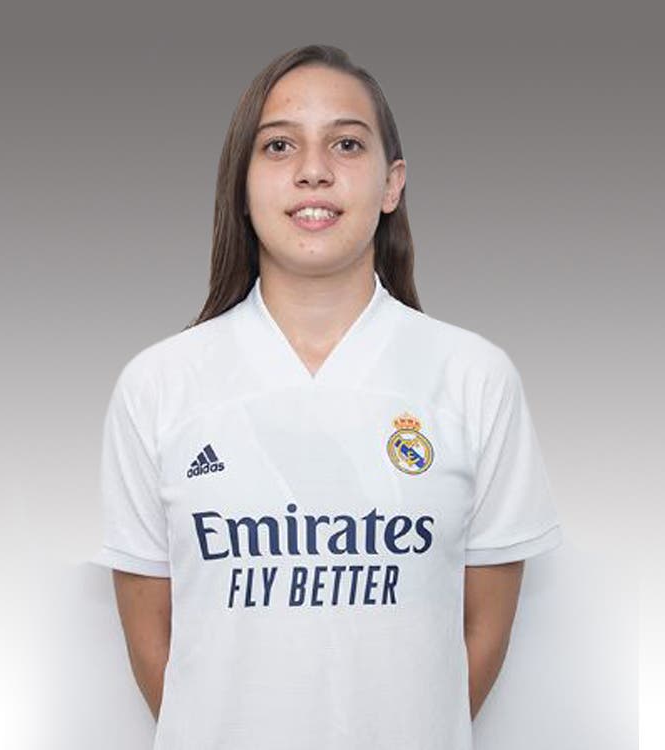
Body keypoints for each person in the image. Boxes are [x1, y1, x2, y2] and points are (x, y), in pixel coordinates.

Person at [93, 44, 562, 750]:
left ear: (392, 183)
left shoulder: (473, 378)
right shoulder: (159, 386)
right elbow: (155, 640)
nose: (313, 170)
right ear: (241, 184)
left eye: (346, 144)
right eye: (279, 146)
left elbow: (480, 633)